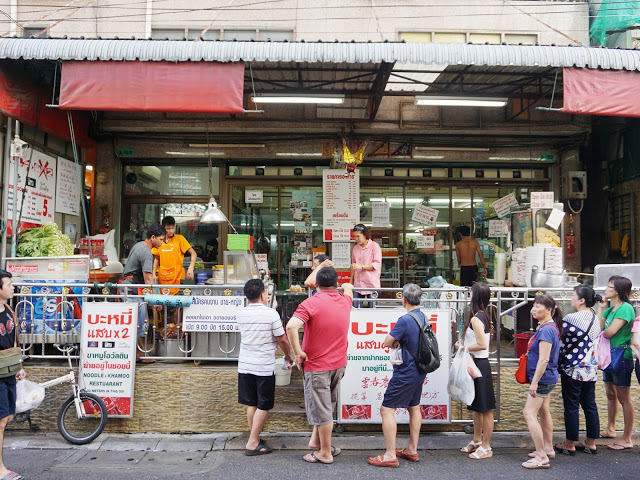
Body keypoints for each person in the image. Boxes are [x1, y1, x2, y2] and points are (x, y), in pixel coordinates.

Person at [285, 267, 353, 464]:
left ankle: (325, 452)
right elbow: (349, 288)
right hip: (339, 364)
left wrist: (298, 353)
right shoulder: (345, 300)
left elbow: (291, 326)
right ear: (336, 284)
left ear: (316, 285)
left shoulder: (310, 303)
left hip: (318, 367)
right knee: (327, 405)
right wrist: (347, 285)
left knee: (322, 408)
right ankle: (317, 441)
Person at [368, 283, 427, 468]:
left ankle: (390, 455)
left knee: (387, 409)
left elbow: (387, 342)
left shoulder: (405, 320)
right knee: (414, 407)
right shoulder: (423, 317)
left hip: (406, 371)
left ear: (403, 299)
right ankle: (412, 449)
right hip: (419, 370)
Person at [236, 279, 292, 456]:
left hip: (245, 364)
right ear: (262, 294)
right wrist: (289, 356)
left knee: (251, 402)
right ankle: (253, 442)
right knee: (264, 404)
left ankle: (255, 436)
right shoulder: (271, 314)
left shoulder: (241, 313)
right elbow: (282, 339)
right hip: (263, 366)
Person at [555, 284, 601, 455]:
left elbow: (559, 337)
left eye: (574, 295)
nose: (571, 298)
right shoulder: (595, 318)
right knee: (590, 405)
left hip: (573, 368)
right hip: (591, 369)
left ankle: (569, 444)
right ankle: (591, 442)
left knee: (572, 406)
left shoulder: (571, 319)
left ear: (581, 300)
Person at [455, 282, 496, 460]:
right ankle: (477, 440)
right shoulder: (483, 316)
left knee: (485, 408)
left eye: (471, 292)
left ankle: (486, 446)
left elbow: (481, 344)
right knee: (477, 406)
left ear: (475, 296)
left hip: (478, 364)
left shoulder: (476, 318)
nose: (469, 294)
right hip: (477, 363)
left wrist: (463, 347)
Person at [522, 294, 562, 469]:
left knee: (529, 413)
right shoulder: (547, 327)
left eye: (539, 306)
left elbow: (544, 360)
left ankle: (541, 456)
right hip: (548, 377)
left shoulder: (546, 330)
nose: (534, 309)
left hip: (543, 378)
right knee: (544, 410)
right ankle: (548, 448)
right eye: (533, 306)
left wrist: (534, 382)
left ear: (549, 310)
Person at [597, 275, 635, 450]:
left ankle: (627, 438)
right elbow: (598, 328)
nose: (606, 289)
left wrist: (603, 330)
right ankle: (611, 429)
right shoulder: (610, 309)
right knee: (610, 393)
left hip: (621, 355)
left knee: (624, 397)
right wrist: (601, 307)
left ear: (618, 291)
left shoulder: (626, 308)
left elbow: (609, 332)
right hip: (608, 354)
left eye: (610, 286)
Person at [120, 222, 166, 363]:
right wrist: (156, 301)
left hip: (129, 288)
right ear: (153, 237)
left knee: (138, 320)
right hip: (131, 290)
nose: (162, 243)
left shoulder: (138, 245)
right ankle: (139, 354)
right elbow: (148, 279)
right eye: (161, 239)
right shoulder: (146, 252)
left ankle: (139, 352)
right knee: (140, 320)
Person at [0, 270, 27, 480]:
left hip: (8, 371)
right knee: (1, 420)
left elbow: (13, 342)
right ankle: (1, 470)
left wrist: (19, 366)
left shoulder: (9, 310)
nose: (13, 287)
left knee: (7, 417)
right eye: (8, 284)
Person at [152, 216, 197, 323]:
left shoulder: (179, 239)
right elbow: (156, 258)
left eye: (172, 228)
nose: (171, 231)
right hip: (163, 279)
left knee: (176, 306)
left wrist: (191, 268)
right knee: (165, 307)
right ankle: (168, 332)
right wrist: (153, 272)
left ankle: (176, 331)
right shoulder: (160, 241)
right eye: (168, 228)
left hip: (177, 278)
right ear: (163, 228)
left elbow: (193, 253)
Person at [351, 224, 382, 308]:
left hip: (371, 284)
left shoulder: (374, 246)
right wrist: (351, 282)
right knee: (355, 309)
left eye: (358, 236)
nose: (356, 239)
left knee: (373, 310)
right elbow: (354, 266)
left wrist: (361, 267)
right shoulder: (355, 248)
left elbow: (377, 265)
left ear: (365, 235)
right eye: (355, 236)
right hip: (358, 285)